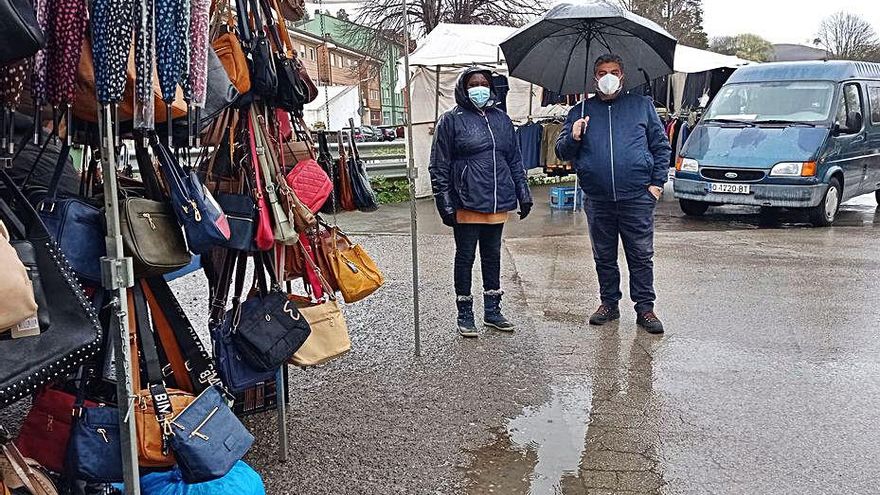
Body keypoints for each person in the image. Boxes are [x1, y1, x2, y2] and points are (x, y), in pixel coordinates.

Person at [556, 54, 672, 334]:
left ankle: (645, 308)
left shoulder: (642, 106)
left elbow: (661, 147)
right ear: (594, 78)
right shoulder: (580, 111)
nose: (608, 76)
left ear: (622, 76)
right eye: (602, 72)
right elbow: (561, 152)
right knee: (604, 255)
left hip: (637, 197)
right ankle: (609, 303)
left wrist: (655, 185)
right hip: (598, 199)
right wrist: (573, 135)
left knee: (641, 255)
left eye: (614, 71)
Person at [429, 67, 533, 338]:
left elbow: (514, 159)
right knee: (465, 257)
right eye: (473, 83)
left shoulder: (502, 119)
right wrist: (444, 202)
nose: (479, 87)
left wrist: (523, 193)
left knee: (492, 254)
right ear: (464, 88)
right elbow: (439, 165)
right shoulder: (450, 121)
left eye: (483, 83)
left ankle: (492, 310)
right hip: (466, 200)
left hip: (498, 200)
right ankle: (464, 312)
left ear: (491, 87)